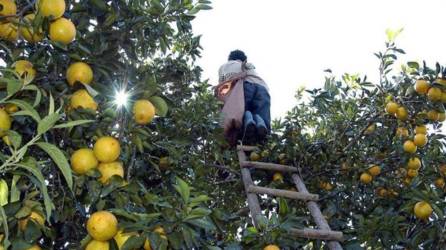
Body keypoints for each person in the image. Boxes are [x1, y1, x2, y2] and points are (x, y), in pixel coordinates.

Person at [217, 50, 271, 144]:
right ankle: (261, 126)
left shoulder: (225, 66)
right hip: (263, 88)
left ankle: (248, 122)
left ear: (230, 58)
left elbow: (222, 86)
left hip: (244, 86)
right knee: (260, 113)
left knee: (240, 113)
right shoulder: (250, 65)